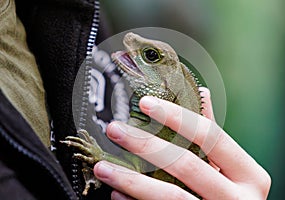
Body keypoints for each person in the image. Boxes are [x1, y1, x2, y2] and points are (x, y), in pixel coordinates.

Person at [0, 0, 271, 199]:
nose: (127, 39)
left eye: (151, 56)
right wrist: (98, 155)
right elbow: (132, 165)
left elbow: (134, 167)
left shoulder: (73, 15)